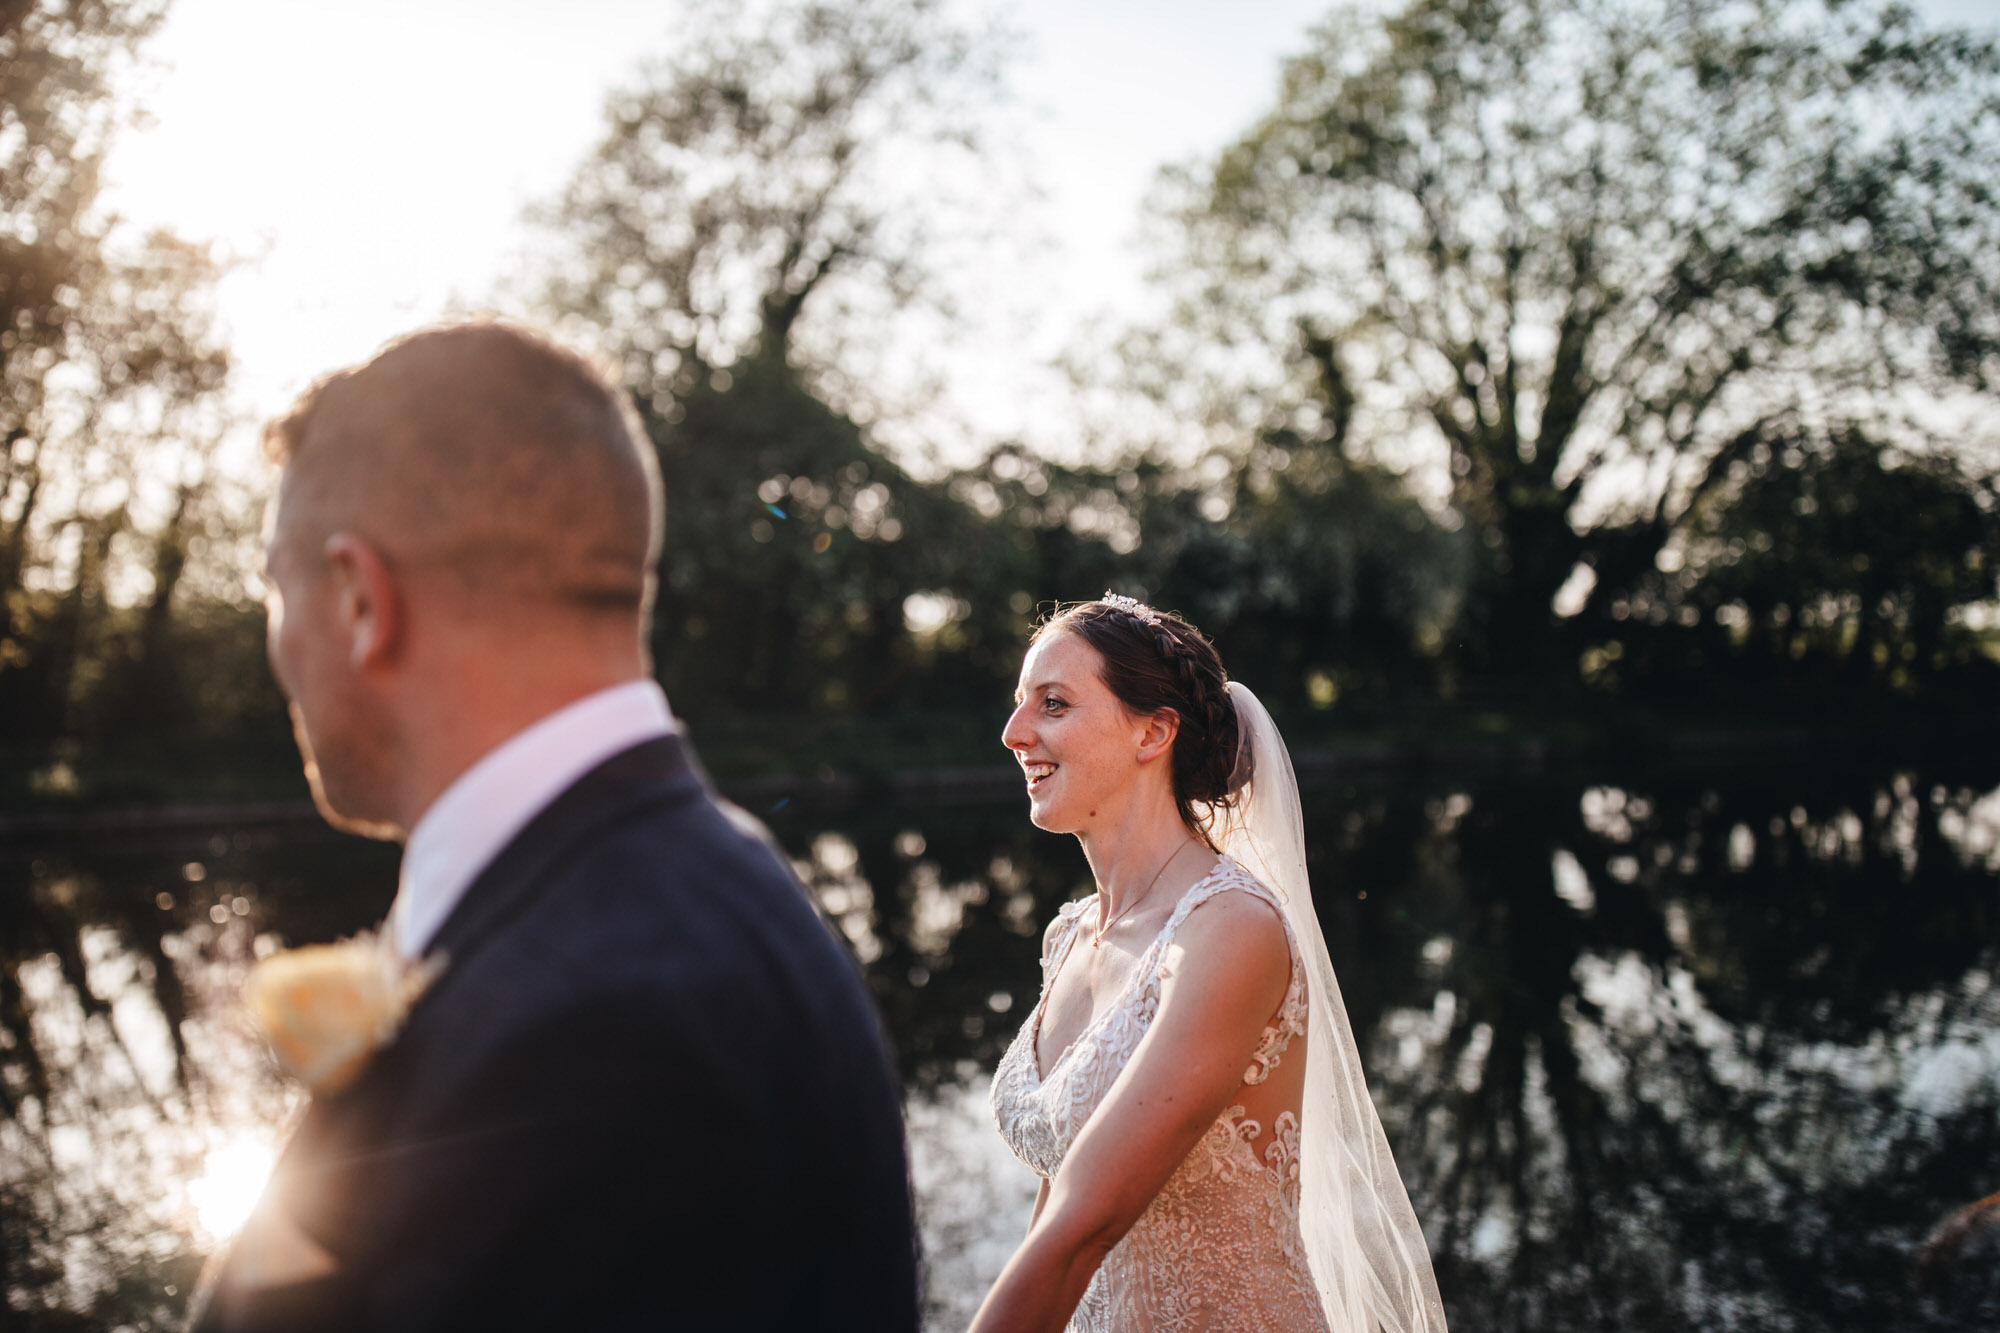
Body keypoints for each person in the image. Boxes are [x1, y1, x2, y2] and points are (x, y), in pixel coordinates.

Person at [194, 322, 919, 1332]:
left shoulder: (597, 1030)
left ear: (361, 599)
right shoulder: (704, 883)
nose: (277, 642)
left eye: (277, 587)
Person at [977, 595, 1446, 1333]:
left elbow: (1084, 1226)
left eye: (1053, 703)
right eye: (1019, 704)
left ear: (1153, 731)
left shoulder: (1230, 930)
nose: (1013, 732)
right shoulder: (1069, 937)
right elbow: (1054, 1217)